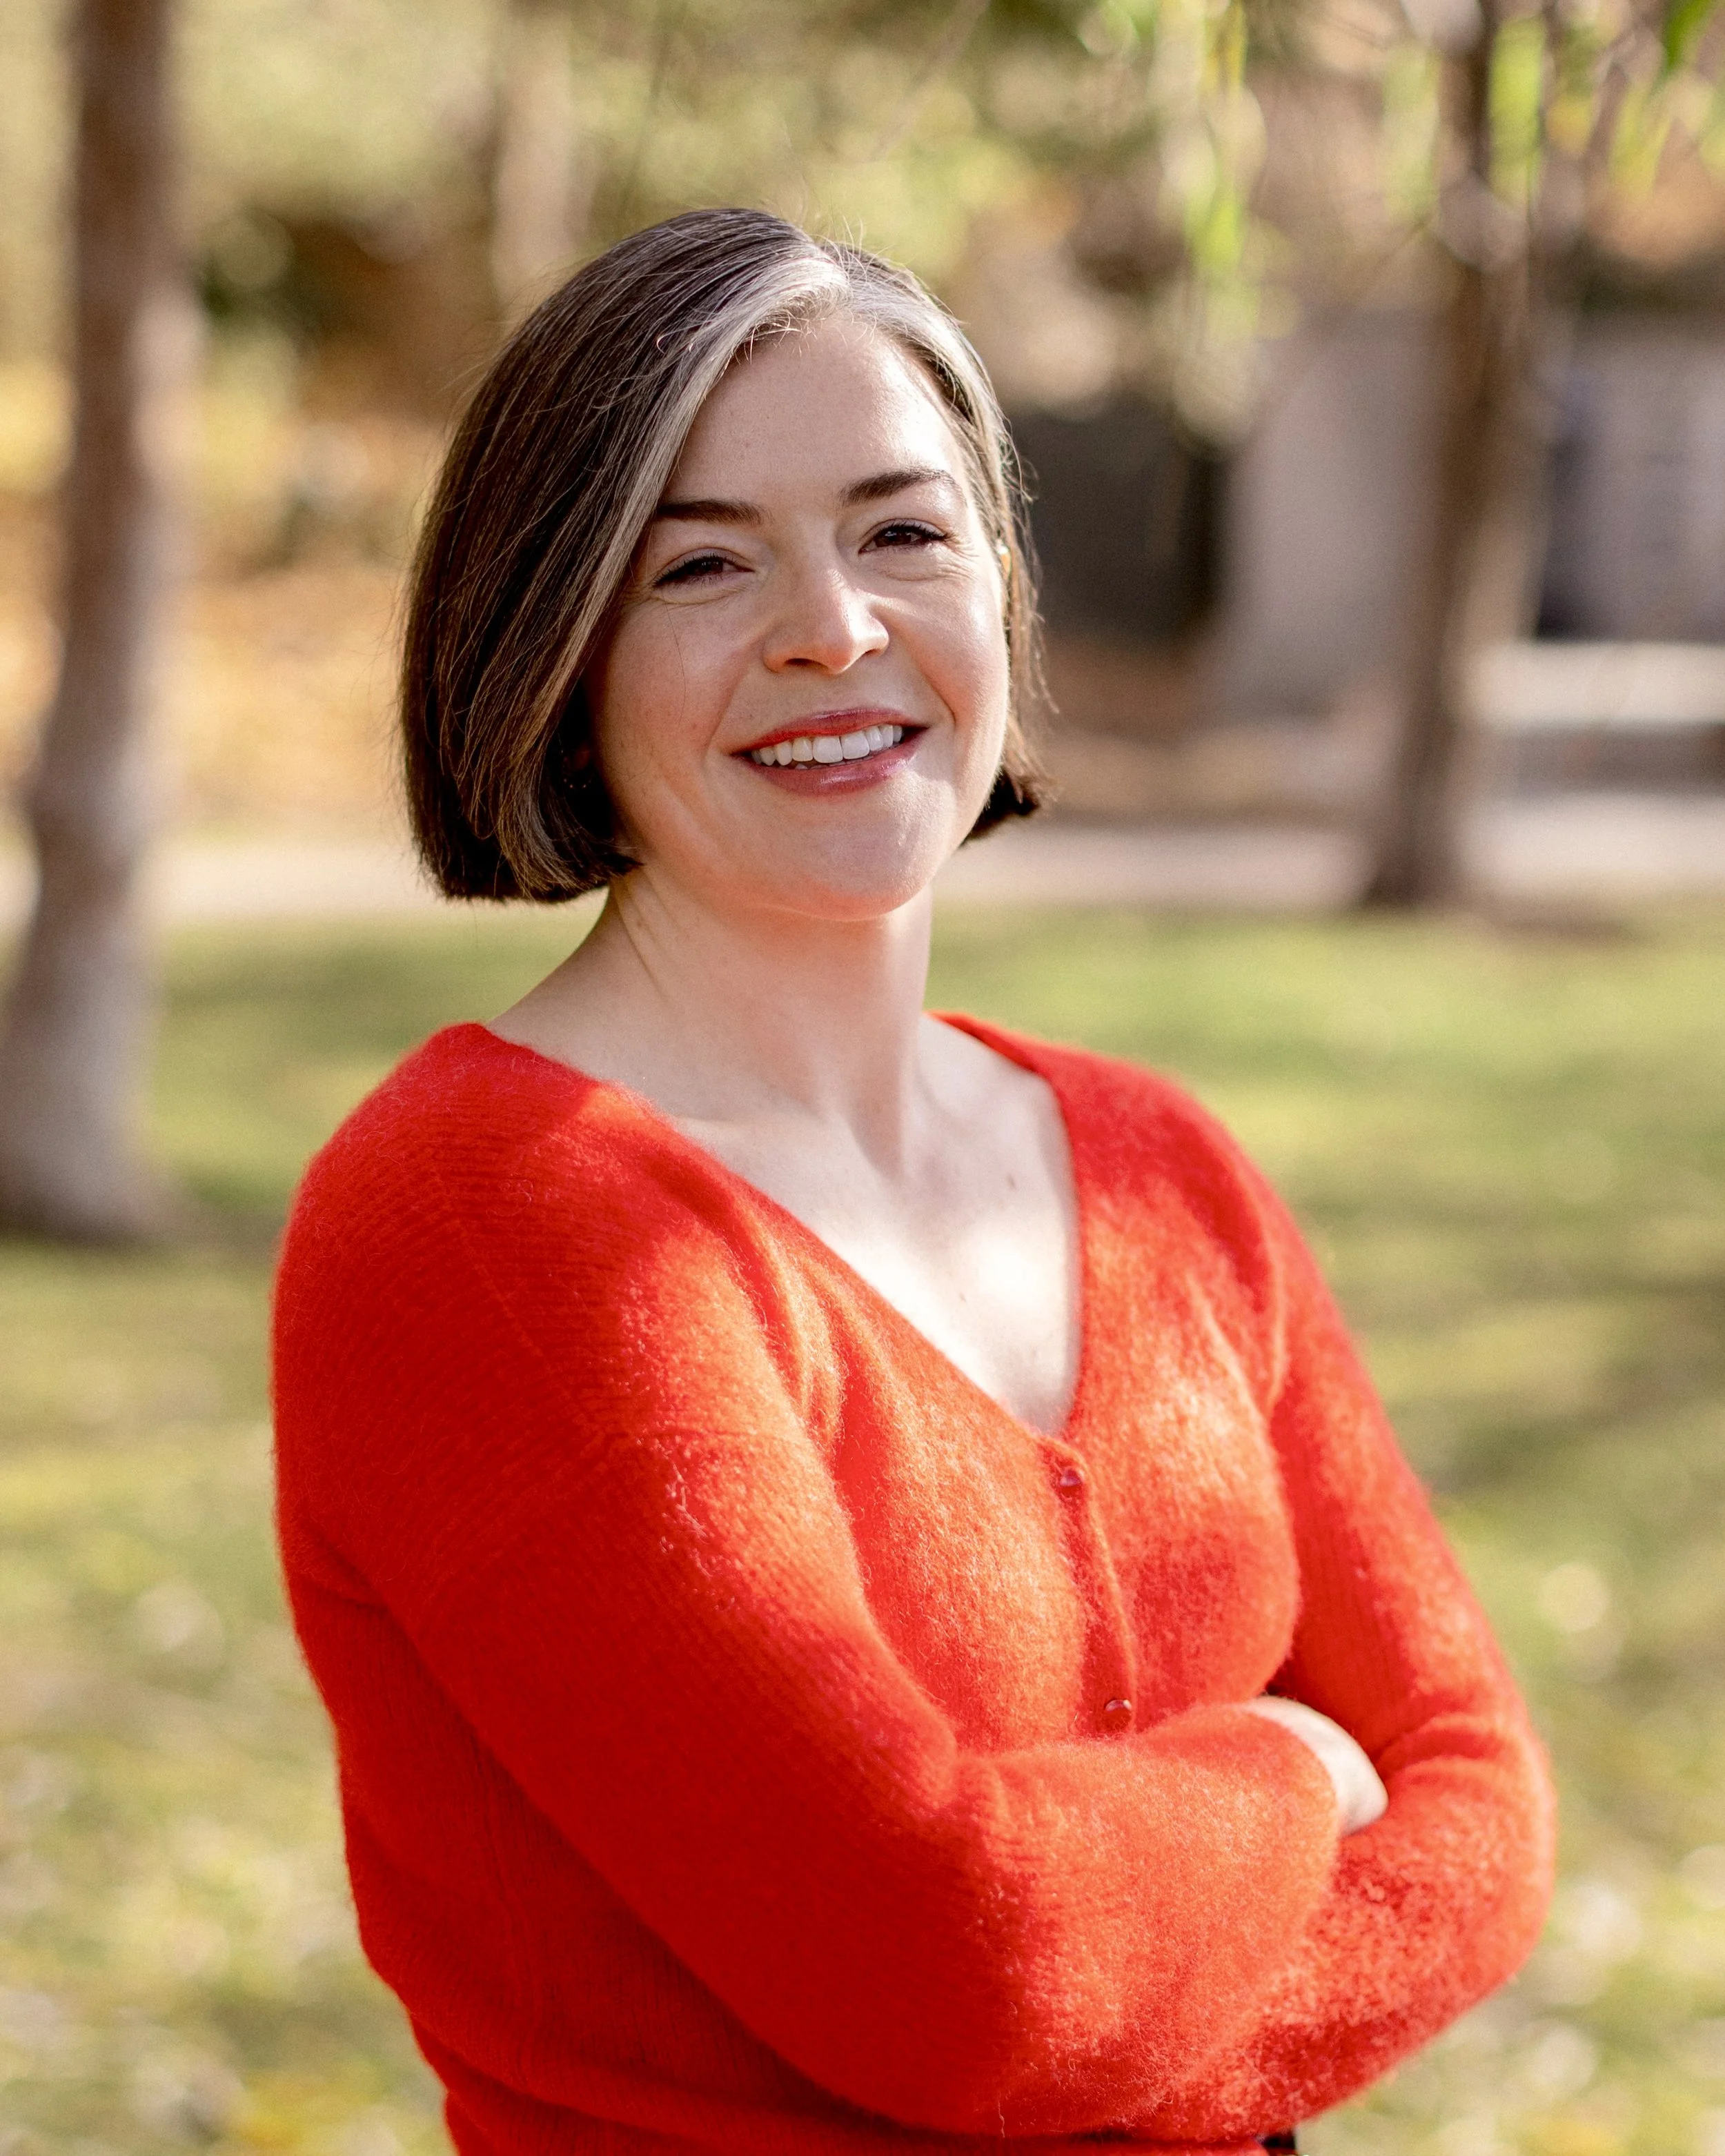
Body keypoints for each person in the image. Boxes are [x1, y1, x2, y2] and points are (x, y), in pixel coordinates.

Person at [272, 208, 1555, 2156]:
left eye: (903, 530)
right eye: (703, 561)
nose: (832, 625)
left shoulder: (1159, 1172)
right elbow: (955, 1973)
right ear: (553, 646)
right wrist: (1290, 1767)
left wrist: (1102, 1994)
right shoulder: (486, 1222)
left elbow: (1480, 1800)